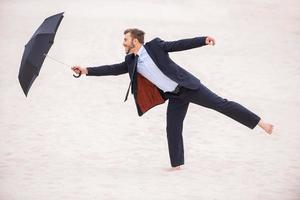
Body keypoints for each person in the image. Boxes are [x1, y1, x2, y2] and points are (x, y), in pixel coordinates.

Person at [71, 28, 274, 171]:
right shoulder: (130, 60)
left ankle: (261, 123)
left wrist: (203, 39)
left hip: (189, 87)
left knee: (221, 104)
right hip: (174, 96)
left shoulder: (156, 46)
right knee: (172, 127)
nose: (123, 43)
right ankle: (177, 165)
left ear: (135, 41)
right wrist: (86, 70)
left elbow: (179, 44)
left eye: (125, 39)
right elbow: (112, 69)